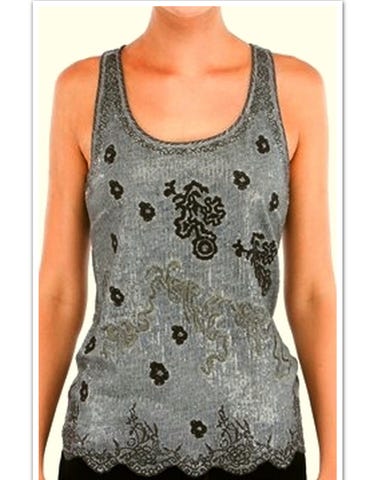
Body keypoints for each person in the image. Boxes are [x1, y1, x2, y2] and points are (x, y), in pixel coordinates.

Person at [39, 6, 336, 480]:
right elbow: (58, 291)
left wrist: (337, 455)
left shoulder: (295, 91)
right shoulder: (81, 90)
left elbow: (313, 293)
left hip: (261, 444)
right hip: (107, 440)